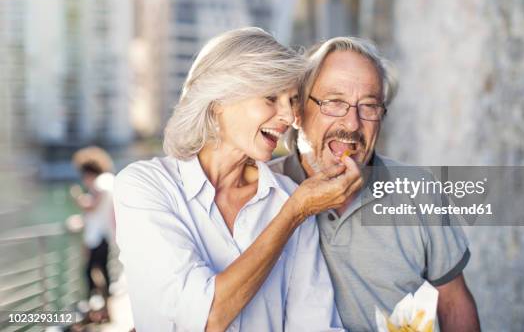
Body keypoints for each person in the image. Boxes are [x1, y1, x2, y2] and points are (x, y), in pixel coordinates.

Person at [114, 28, 362, 332]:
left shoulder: (293, 198)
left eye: (292, 100)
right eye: (271, 97)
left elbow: (314, 324)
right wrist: (293, 214)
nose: (288, 116)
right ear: (219, 100)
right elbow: (204, 318)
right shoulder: (144, 188)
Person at [269, 37, 481, 331]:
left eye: (369, 106)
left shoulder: (418, 190)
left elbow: (454, 302)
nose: (353, 123)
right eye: (334, 102)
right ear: (297, 110)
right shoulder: (261, 189)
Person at [71, 146, 115, 299]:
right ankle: (104, 308)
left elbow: (93, 205)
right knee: (102, 269)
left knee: (91, 271)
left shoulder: (99, 183)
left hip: (98, 235)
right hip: (105, 233)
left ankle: (97, 308)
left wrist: (78, 198)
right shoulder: (109, 180)